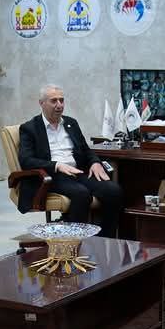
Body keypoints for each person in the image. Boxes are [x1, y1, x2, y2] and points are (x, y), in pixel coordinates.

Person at [17, 84, 124, 238]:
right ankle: (73, 243)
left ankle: (105, 239)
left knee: (113, 191)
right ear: (42, 103)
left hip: (76, 172)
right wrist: (57, 165)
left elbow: (86, 150)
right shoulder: (30, 128)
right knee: (81, 194)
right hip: (51, 176)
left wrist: (94, 162)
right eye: (54, 101)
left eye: (61, 100)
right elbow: (26, 160)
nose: (59, 105)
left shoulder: (70, 123)